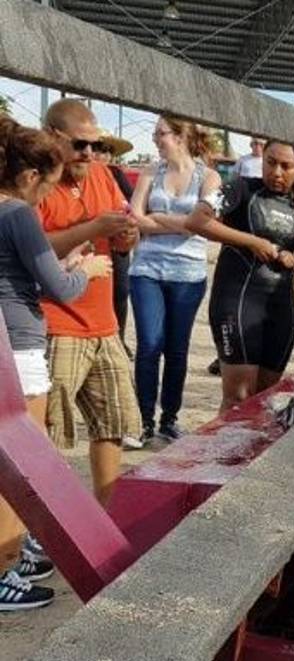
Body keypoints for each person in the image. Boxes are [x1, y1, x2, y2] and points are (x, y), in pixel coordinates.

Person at [0, 116, 110, 610]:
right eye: (45, 187)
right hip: (20, 348)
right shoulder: (19, 215)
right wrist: (85, 270)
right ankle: (5, 568)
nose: (46, 198)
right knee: (21, 467)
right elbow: (59, 288)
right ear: (29, 178)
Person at [38, 99, 142, 505]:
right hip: (57, 321)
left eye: (95, 146)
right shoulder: (37, 180)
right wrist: (94, 228)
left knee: (112, 422)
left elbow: (123, 232)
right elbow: (27, 244)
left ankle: (105, 515)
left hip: (103, 322)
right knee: (48, 432)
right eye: (80, 145)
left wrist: (125, 236)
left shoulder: (102, 175)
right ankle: (40, 528)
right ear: (53, 137)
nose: (89, 154)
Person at [186, 140, 294, 412]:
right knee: (239, 398)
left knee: (265, 401)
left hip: (280, 308)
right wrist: (251, 241)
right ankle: (222, 455)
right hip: (237, 301)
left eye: (286, 166)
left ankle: (251, 457)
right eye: (271, 163)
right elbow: (196, 220)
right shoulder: (240, 187)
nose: (277, 172)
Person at [128, 117, 222, 442]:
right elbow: (135, 216)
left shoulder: (209, 177)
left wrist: (157, 220)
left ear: (181, 136)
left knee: (177, 348)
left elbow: (203, 222)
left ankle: (169, 417)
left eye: (161, 134)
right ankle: (143, 419)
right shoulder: (150, 172)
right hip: (146, 270)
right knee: (149, 345)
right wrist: (181, 222)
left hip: (188, 273)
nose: (155, 139)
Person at [95, 130, 135, 352]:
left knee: (120, 290)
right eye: (99, 148)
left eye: (107, 150)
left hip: (116, 239)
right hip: (90, 241)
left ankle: (118, 337)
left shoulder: (115, 175)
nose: (102, 155)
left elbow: (131, 204)